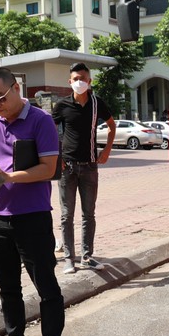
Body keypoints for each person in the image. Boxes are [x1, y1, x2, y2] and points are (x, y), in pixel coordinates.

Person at [0, 67, 66, 336]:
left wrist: (10, 175)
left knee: (46, 287)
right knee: (7, 288)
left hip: (33, 215)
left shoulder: (41, 120)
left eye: (0, 97)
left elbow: (49, 168)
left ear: (16, 88)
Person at [51, 62, 115, 274]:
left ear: (90, 81)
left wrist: (106, 150)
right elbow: (49, 131)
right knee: (66, 215)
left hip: (90, 167)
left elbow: (112, 125)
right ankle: (69, 258)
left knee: (89, 214)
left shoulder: (97, 103)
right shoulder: (62, 106)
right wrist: (56, 156)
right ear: (69, 82)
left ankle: (87, 257)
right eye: (76, 79)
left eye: (83, 79)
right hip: (66, 167)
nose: (79, 82)